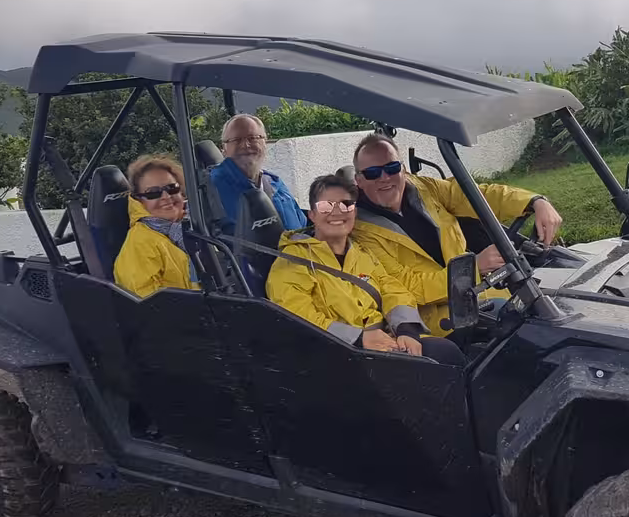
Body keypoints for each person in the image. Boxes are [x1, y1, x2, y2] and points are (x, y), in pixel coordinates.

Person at [348, 132, 564, 337]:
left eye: (392, 167)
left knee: (551, 306)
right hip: (439, 317)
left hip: (478, 292)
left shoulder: (424, 188)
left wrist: (534, 201)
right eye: (373, 173)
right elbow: (409, 287)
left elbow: (476, 195)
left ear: (403, 169)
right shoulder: (360, 232)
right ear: (359, 180)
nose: (385, 178)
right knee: (529, 327)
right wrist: (474, 268)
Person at [266, 174, 465, 365]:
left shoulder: (362, 253)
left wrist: (406, 330)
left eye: (346, 204)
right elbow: (296, 316)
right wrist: (359, 339)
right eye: (326, 205)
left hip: (384, 342)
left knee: (448, 350)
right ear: (312, 215)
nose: (337, 212)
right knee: (444, 358)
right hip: (338, 354)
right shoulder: (292, 261)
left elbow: (392, 289)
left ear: (354, 212)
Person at [113, 154, 200, 297]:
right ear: (139, 201)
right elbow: (147, 306)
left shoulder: (195, 227)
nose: (166, 196)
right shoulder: (140, 243)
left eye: (172, 188)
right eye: (153, 193)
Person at [209, 113, 307, 233]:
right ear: (224, 149)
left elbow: (302, 224)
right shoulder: (211, 187)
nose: (245, 145)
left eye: (253, 138)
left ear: (265, 143)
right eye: (236, 140)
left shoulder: (275, 183)